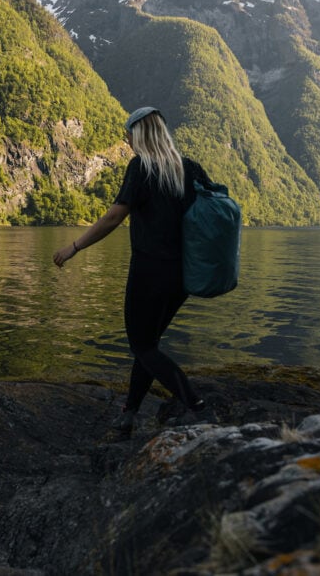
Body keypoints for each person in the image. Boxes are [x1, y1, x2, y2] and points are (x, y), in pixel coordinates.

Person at [53, 106, 209, 433]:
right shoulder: (191, 168)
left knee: (142, 346)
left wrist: (74, 247)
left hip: (149, 271)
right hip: (183, 275)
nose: (126, 142)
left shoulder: (142, 167)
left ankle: (195, 402)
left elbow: (113, 217)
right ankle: (129, 413)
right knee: (149, 344)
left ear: (139, 135)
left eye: (128, 136)